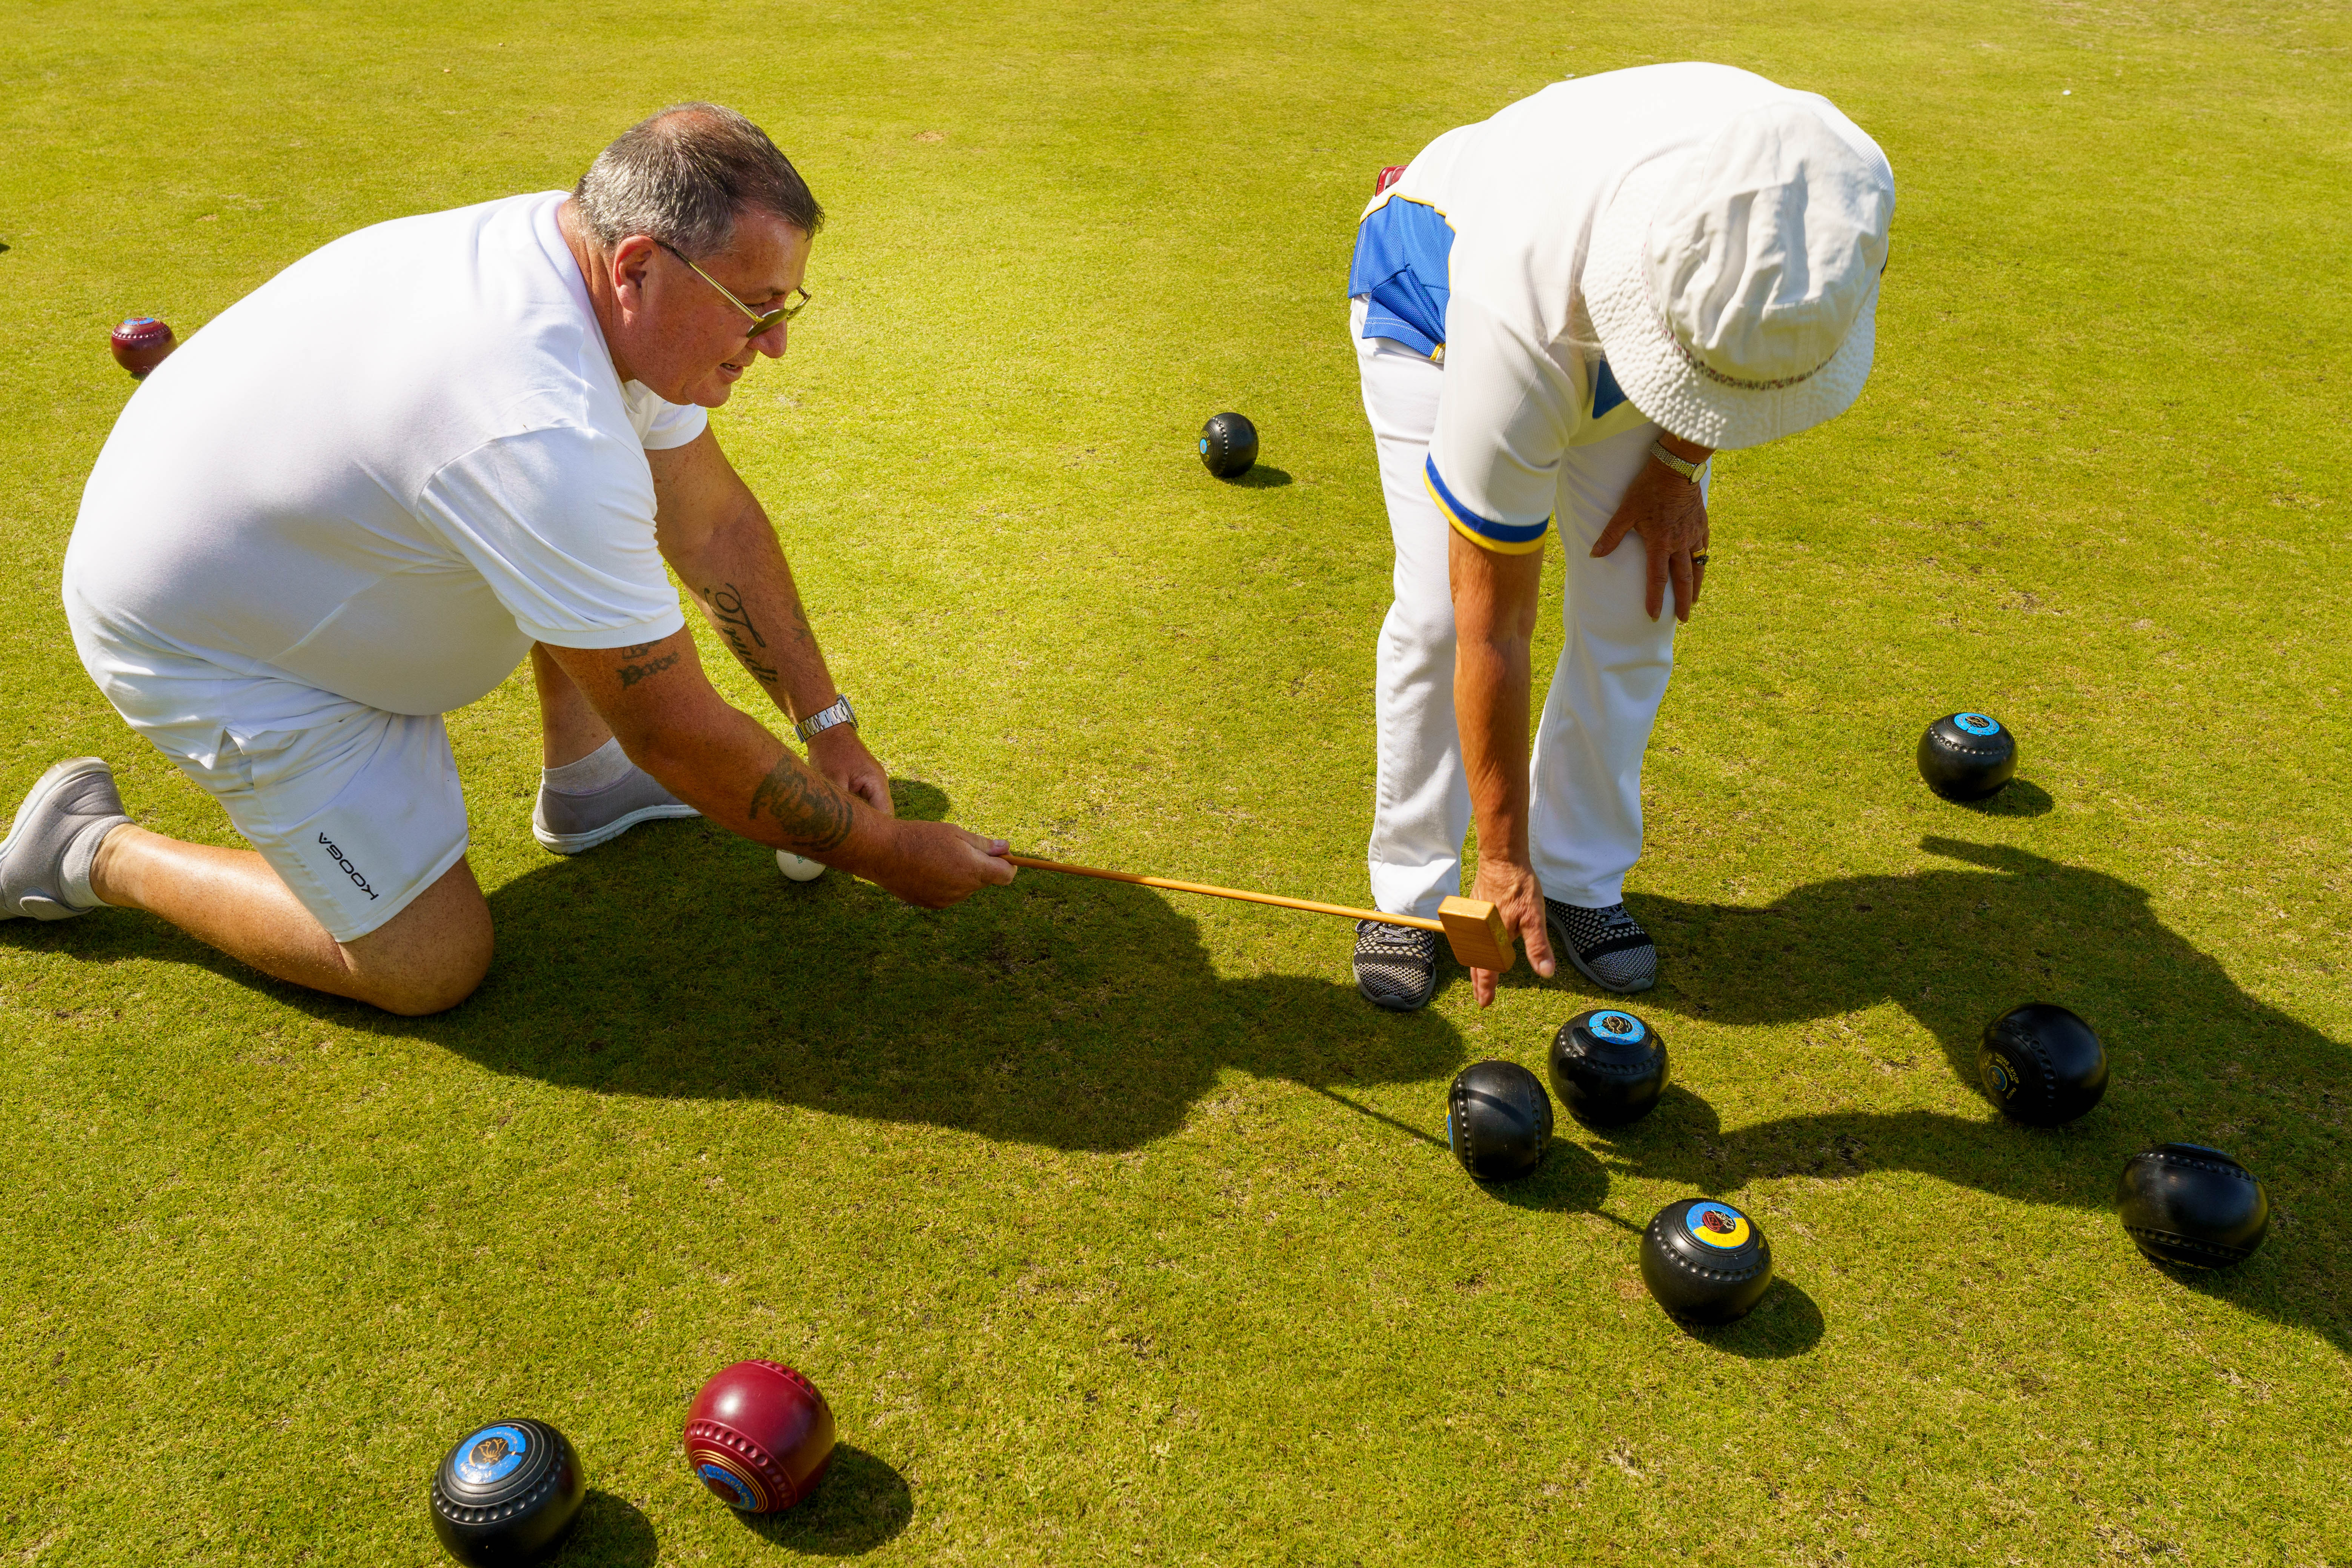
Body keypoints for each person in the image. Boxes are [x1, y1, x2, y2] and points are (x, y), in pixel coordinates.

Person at [1, 103, 1014, 1014]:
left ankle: (587, 783)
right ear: (638, 266)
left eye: (783, 308)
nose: (774, 344)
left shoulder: (596, 267)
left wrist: (825, 726)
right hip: (218, 643)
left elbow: (712, 529)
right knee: (425, 963)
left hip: (306, 548)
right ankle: (91, 848)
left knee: (592, 528)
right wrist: (883, 854)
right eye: (757, 307)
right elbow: (673, 730)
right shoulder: (539, 425)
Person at [1344, 64, 1894, 1011]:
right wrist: (1498, 852)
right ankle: (1414, 891)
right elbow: (1496, 631)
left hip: (1636, 297)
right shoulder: (1519, 318)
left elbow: (1754, 341)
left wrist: (1679, 462)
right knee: (1440, 619)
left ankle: (1582, 878)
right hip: (1433, 291)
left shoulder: (1834, 186)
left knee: (1642, 604)